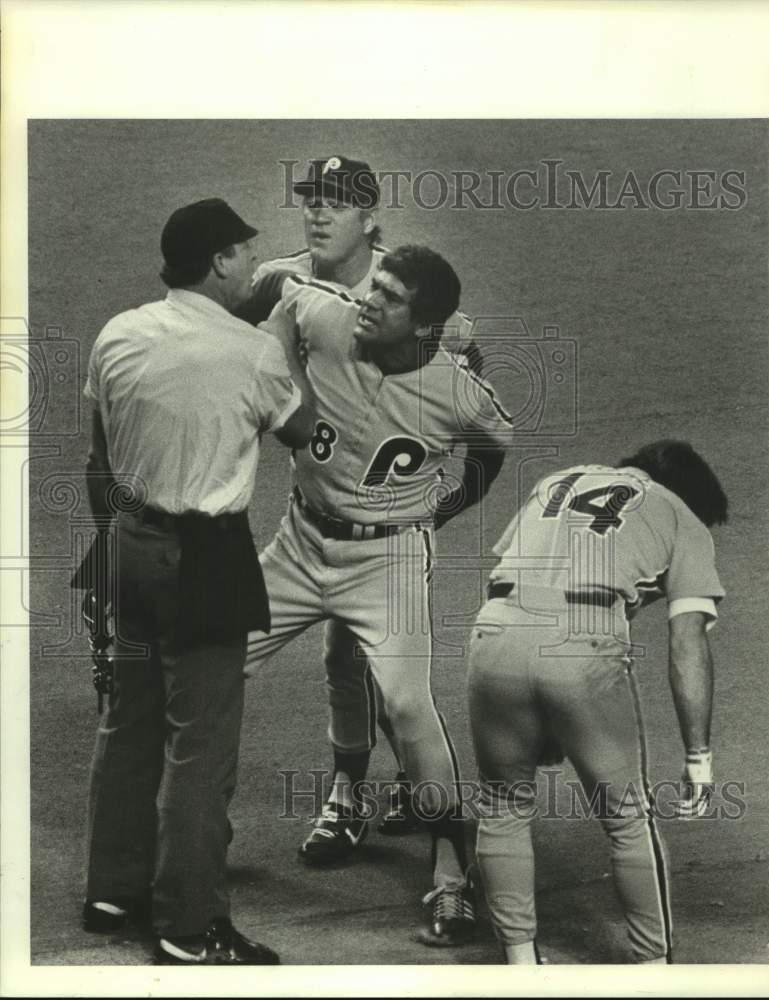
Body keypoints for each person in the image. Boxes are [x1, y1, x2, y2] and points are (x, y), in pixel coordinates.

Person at [244, 244, 513, 945]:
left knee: (405, 701)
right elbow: (271, 286)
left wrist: (443, 510)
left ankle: (453, 876)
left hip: (390, 556)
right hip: (299, 543)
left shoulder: (459, 391)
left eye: (389, 298)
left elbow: (491, 449)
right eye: (375, 287)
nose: (370, 299)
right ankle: (329, 801)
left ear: (424, 327)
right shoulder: (324, 311)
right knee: (215, 659)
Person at [76, 198, 314, 965]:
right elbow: (308, 434)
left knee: (127, 725)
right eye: (246, 254)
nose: (254, 264)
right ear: (218, 264)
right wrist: (280, 335)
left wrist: (117, 549)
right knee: (200, 751)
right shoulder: (251, 352)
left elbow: (99, 462)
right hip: (205, 559)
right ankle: (188, 926)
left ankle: (111, 893)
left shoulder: (118, 332)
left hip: (127, 546)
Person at [239, 155, 481, 846]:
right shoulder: (282, 280)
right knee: (336, 661)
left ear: (370, 218)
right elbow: (228, 319)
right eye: (311, 198)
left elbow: (462, 397)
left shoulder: (423, 311)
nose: (318, 211)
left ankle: (439, 843)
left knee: (388, 686)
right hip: (306, 531)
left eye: (337, 202)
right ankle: (349, 789)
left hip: (386, 539)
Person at [467, 441, 728, 964]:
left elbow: (524, 576)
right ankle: (654, 969)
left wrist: (537, 711)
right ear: (687, 494)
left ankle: (521, 968)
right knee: (629, 817)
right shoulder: (678, 513)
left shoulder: (555, 482)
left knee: (502, 805)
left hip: (492, 635)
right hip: (583, 646)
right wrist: (698, 758)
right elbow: (687, 642)